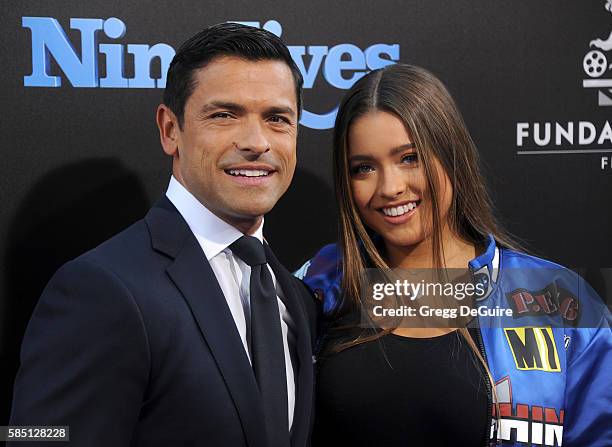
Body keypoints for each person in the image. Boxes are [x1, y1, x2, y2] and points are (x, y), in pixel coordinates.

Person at [9, 23, 318, 447]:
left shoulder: (294, 296)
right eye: (224, 115)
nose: (255, 142)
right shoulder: (101, 289)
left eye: (277, 118)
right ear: (170, 130)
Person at [298, 64, 612, 446]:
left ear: (451, 155)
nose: (390, 187)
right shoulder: (324, 283)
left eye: (409, 158)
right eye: (364, 168)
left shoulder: (556, 299)